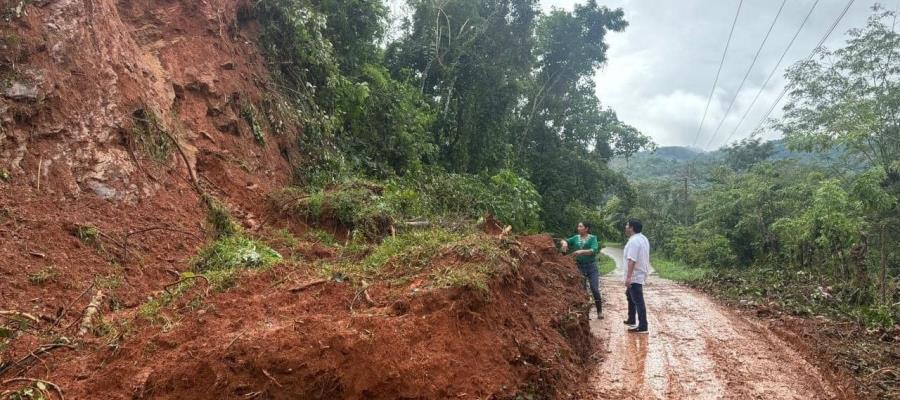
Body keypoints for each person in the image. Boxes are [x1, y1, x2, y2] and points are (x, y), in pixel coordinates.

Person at [560, 222, 603, 319]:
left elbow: (593, 250)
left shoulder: (593, 238)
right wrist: (565, 243)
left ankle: (599, 311)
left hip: (592, 267)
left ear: (586, 228)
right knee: (582, 291)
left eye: (580, 226)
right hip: (579, 267)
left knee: (594, 289)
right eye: (578, 226)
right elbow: (563, 240)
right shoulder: (575, 238)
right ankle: (585, 314)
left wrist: (581, 251)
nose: (578, 228)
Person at [623, 218, 650, 334]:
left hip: (635, 275)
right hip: (640, 272)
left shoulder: (633, 241)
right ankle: (631, 319)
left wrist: (629, 277)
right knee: (629, 295)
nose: (625, 227)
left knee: (638, 300)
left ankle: (643, 326)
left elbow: (632, 260)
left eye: (627, 225)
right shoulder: (643, 238)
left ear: (631, 228)